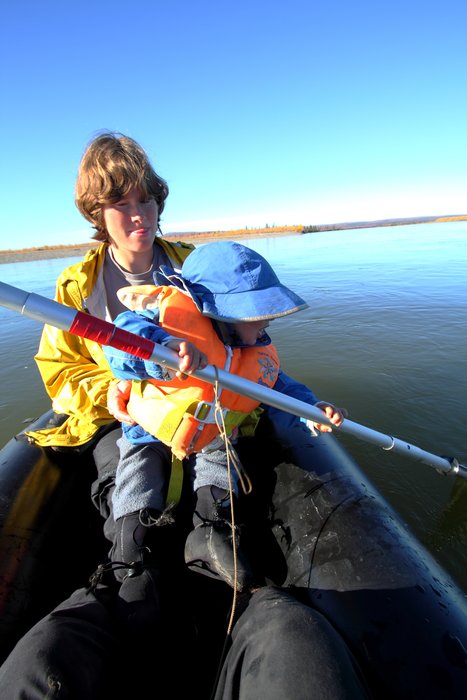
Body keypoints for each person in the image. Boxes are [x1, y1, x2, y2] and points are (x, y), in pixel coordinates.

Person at [102, 241, 346, 595]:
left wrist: (312, 410)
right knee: (137, 473)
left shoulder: (255, 349)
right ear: (214, 310)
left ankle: (210, 530)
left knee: (220, 460)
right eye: (255, 313)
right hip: (148, 432)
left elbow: (281, 387)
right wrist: (161, 349)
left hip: (213, 433)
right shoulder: (163, 324)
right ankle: (129, 549)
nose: (265, 321)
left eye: (266, 312)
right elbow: (120, 342)